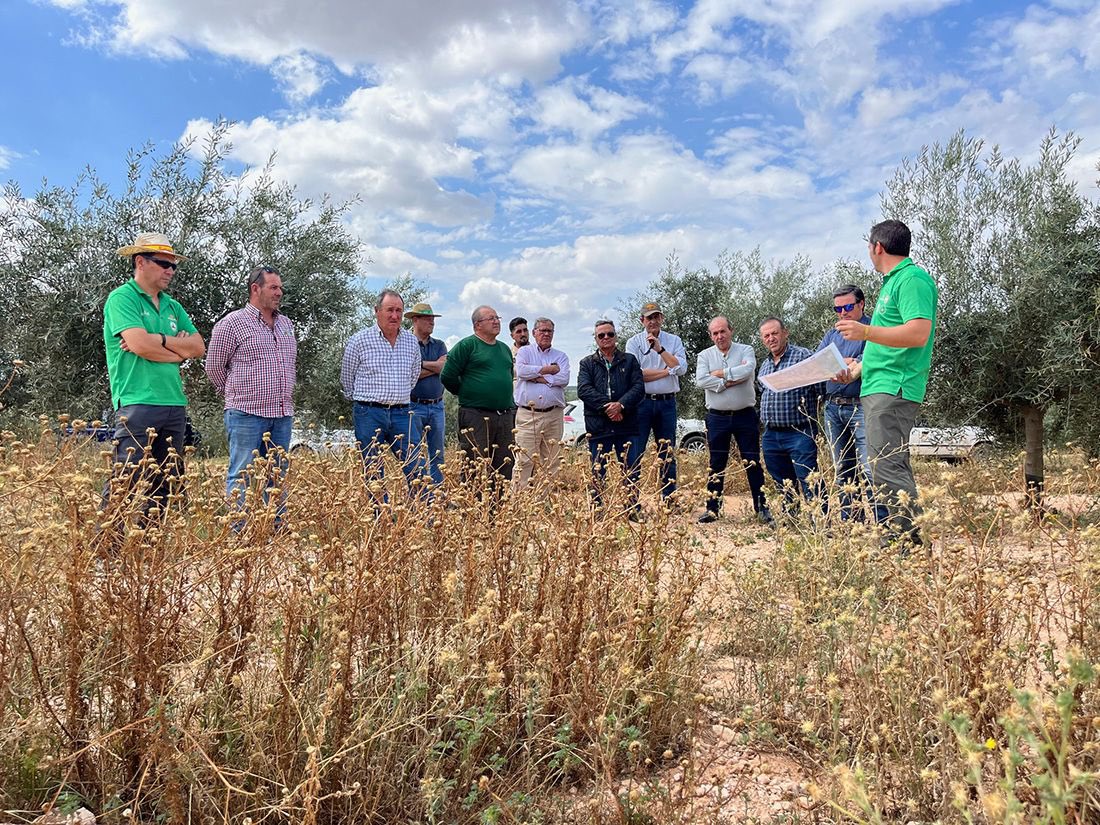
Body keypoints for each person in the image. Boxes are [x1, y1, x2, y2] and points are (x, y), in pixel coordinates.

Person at [836, 219, 938, 546]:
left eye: (868, 245)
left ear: (877, 247)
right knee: (889, 466)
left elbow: (918, 333)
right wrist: (855, 370)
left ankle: (904, 546)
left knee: (885, 469)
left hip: (893, 389)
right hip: (880, 385)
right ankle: (905, 542)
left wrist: (865, 331)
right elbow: (886, 345)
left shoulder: (912, 280)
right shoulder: (892, 283)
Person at [102, 232, 206, 516]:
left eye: (173, 265)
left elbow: (198, 347)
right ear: (140, 261)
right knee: (125, 481)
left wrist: (158, 340)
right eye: (163, 263)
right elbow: (138, 344)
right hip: (137, 401)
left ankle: (149, 551)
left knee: (165, 485)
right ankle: (106, 553)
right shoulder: (122, 298)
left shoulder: (173, 306)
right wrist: (177, 350)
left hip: (174, 402)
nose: (170, 270)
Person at [205, 266, 296, 524]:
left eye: (280, 287)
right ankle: (240, 530)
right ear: (255, 289)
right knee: (242, 473)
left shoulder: (286, 324)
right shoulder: (231, 324)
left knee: (277, 474)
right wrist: (236, 394)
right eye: (273, 287)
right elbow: (213, 367)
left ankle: (276, 527)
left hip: (281, 413)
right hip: (246, 413)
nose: (279, 292)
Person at [340, 289, 423, 493]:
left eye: (399, 311)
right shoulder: (359, 340)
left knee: (416, 468)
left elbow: (413, 376)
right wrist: (363, 402)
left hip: (403, 413)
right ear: (377, 311)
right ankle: (380, 519)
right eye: (389, 310)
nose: (395, 316)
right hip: (369, 413)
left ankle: (422, 520)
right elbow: (346, 378)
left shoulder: (411, 342)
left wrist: (397, 395)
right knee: (373, 471)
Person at [694, 316, 772, 525]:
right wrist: (726, 382)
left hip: (744, 415)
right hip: (717, 417)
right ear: (711, 336)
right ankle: (712, 509)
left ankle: (761, 508)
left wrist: (719, 374)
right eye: (715, 333)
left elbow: (747, 371)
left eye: (723, 331)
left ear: (731, 330)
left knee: (753, 462)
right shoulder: (704, 355)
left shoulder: (746, 350)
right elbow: (701, 380)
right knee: (716, 464)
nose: (719, 336)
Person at [441, 305, 516, 492]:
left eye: (497, 317)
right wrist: (468, 394)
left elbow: (508, 375)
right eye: (491, 318)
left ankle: (497, 513)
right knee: (474, 465)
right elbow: (447, 376)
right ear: (477, 325)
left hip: (505, 416)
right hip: (475, 415)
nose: (496, 321)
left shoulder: (504, 349)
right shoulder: (467, 346)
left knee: (503, 466)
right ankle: (472, 511)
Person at [577, 319, 645, 517]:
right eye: (601, 335)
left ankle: (632, 508)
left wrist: (621, 405)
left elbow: (639, 387)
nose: (606, 338)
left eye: (610, 334)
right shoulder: (587, 363)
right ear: (596, 338)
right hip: (599, 425)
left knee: (631, 469)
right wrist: (609, 407)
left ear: (616, 336)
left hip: (627, 423)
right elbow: (584, 390)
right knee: (598, 470)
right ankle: (598, 510)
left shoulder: (630, 360)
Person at [757, 317, 824, 513]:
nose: (771, 338)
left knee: (809, 479)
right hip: (771, 434)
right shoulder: (765, 364)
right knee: (782, 481)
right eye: (766, 336)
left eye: (774, 333)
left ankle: (820, 522)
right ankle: (792, 518)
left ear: (785, 333)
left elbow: (820, 388)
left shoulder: (803, 356)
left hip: (799, 431)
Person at [625, 302, 688, 502]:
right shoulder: (633, 343)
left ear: (662, 318)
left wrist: (661, 351)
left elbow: (682, 369)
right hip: (641, 404)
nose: (652, 321)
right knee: (635, 452)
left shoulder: (673, 340)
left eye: (656, 316)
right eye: (648, 317)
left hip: (667, 403)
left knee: (667, 453)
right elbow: (635, 375)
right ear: (642, 320)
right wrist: (667, 371)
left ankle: (669, 499)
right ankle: (632, 502)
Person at [512, 317, 570, 490]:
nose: (546, 334)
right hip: (529, 414)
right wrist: (549, 370)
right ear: (534, 332)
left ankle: (543, 507)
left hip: (554, 415)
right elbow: (521, 371)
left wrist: (537, 376)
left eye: (549, 331)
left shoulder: (561, 356)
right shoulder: (524, 352)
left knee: (551, 463)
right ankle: (518, 507)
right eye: (542, 330)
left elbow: (564, 378)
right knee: (524, 461)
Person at [405, 302, 448, 487]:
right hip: (413, 405)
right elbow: (408, 373)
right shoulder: (405, 343)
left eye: (433, 319)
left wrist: (421, 364)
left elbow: (444, 367)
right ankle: (421, 495)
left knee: (437, 453)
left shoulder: (439, 344)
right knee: (414, 453)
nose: (432, 322)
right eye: (427, 319)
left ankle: (438, 495)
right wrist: (434, 367)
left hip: (437, 405)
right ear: (415, 320)